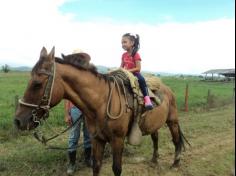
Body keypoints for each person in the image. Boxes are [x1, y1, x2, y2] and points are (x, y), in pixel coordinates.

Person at [120, 33, 153, 110]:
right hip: (126, 74)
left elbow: (138, 68)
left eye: (125, 42)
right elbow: (121, 67)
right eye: (122, 43)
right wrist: (120, 71)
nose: (122, 44)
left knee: (141, 80)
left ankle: (147, 99)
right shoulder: (123, 55)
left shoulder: (136, 54)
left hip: (135, 74)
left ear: (132, 43)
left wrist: (127, 71)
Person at [64, 100, 92, 175]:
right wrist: (67, 114)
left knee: (89, 135)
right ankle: (72, 164)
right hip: (75, 109)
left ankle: (88, 159)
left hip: (88, 108)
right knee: (74, 136)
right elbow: (66, 98)